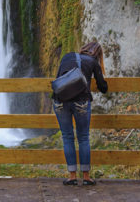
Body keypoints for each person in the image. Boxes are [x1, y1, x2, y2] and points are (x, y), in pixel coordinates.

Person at [53, 41, 108, 186]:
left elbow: (58, 79)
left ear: (83, 48)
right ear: (98, 54)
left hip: (60, 101)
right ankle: (86, 177)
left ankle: (72, 176)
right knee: (83, 138)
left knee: (67, 137)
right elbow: (103, 87)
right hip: (81, 101)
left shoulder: (67, 57)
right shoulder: (93, 62)